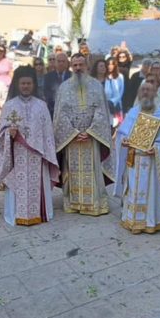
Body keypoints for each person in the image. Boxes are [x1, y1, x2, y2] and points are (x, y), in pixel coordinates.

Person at [0, 68, 59, 226]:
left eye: (29, 83)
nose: (25, 86)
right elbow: (0, 133)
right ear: (17, 84)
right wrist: (8, 133)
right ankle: (16, 214)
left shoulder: (41, 105)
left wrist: (48, 153)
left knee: (38, 185)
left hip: (38, 158)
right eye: (23, 83)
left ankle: (41, 213)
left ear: (34, 85)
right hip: (17, 156)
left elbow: (48, 134)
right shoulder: (9, 106)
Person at [53, 54, 113, 216]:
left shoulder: (96, 86)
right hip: (71, 139)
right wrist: (72, 133)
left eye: (81, 64)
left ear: (86, 65)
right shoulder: (64, 88)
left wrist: (90, 131)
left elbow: (101, 112)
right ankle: (74, 203)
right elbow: (60, 114)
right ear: (71, 67)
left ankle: (95, 203)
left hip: (91, 137)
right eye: (75, 65)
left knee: (92, 170)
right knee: (71, 170)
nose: (78, 68)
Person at [113, 80, 160, 234]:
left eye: (149, 90)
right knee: (133, 190)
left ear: (155, 93)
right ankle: (132, 219)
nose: (146, 93)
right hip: (134, 160)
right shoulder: (133, 112)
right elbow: (122, 134)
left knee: (151, 192)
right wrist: (125, 141)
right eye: (143, 90)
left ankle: (151, 221)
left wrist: (156, 149)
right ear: (139, 93)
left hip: (152, 162)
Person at [39, 52, 70, 117]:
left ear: (67, 63)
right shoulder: (48, 77)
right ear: (55, 63)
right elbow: (47, 93)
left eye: (63, 61)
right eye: (59, 61)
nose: (61, 63)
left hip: (69, 111)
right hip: (52, 111)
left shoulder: (72, 76)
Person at [103, 59, 125, 126]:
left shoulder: (119, 76)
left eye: (112, 64)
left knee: (116, 124)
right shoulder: (104, 76)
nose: (110, 66)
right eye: (108, 64)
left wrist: (112, 101)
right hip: (104, 105)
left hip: (115, 105)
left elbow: (121, 92)